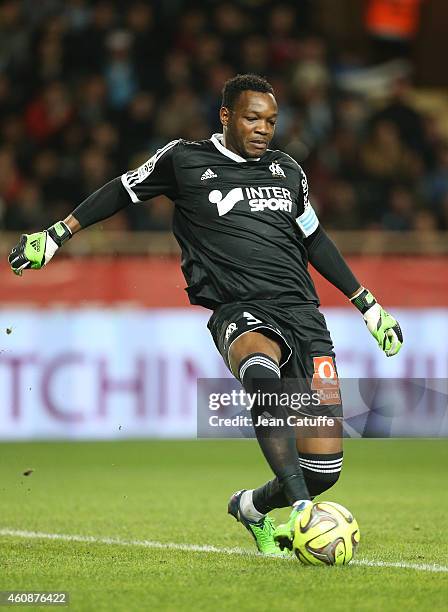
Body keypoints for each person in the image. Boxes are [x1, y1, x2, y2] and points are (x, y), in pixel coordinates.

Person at [8, 74, 403, 556]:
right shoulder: (185, 160)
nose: (263, 128)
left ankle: (253, 507)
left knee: (324, 471)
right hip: (239, 309)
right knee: (261, 372)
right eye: (253, 117)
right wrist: (56, 235)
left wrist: (367, 303)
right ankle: (301, 511)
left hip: (304, 316)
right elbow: (120, 190)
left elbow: (314, 240)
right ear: (227, 116)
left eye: (271, 121)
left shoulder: (287, 171)